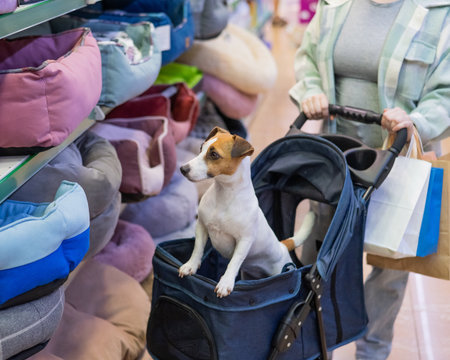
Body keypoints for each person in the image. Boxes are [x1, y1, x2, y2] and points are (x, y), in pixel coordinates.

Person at [289, 0, 450, 359]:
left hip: (401, 161)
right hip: (336, 155)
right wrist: (311, 91)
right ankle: (314, 346)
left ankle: (372, 351)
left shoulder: (439, 12)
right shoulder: (334, 4)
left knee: (389, 271)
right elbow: (308, 58)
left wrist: (416, 120)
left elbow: (447, 92)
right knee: (318, 255)